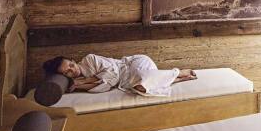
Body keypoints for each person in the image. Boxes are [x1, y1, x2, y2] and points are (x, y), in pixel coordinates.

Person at [42, 53, 197, 96]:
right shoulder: (77, 80)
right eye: (68, 72)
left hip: (132, 64)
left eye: (71, 65)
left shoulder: (90, 59)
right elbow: (103, 87)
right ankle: (177, 78)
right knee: (141, 88)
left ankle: (178, 72)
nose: (72, 70)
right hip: (126, 79)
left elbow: (113, 75)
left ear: (72, 60)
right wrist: (78, 85)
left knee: (143, 78)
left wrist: (82, 83)